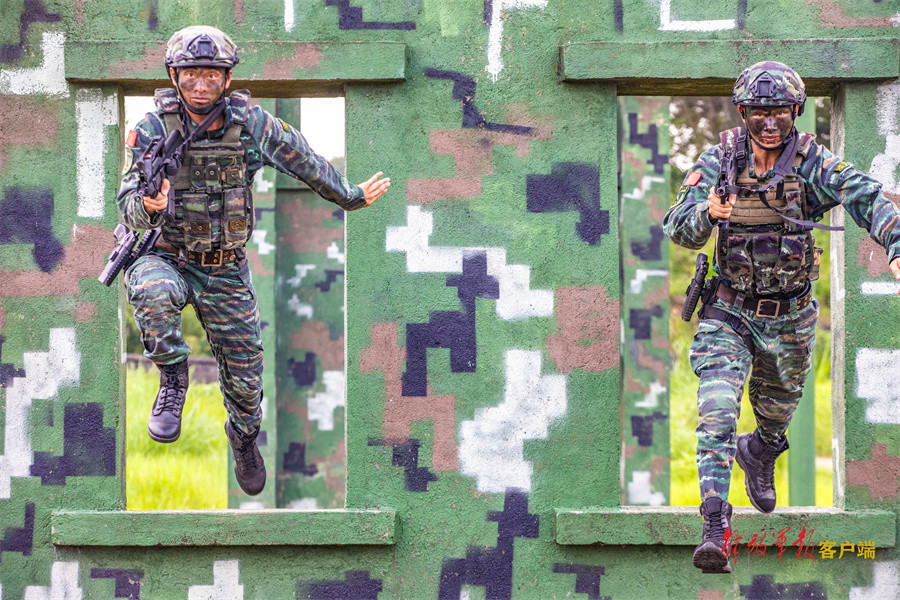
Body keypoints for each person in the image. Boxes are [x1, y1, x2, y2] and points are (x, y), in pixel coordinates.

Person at [117, 25, 390, 496]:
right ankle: (174, 377)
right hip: (165, 255)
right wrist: (150, 207)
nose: (200, 86)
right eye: (190, 76)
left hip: (223, 267)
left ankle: (243, 439)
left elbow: (302, 157)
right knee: (149, 290)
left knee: (246, 381)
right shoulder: (151, 128)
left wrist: (349, 196)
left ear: (227, 78)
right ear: (173, 75)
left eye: (211, 76)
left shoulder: (253, 125)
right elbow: (127, 204)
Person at [663, 61, 900, 573]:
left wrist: (896, 243)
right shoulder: (719, 159)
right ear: (744, 113)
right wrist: (709, 214)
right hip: (728, 313)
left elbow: (864, 195)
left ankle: (763, 451)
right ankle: (714, 525)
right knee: (717, 410)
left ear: (796, 112)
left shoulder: (813, 162)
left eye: (780, 113)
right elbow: (677, 227)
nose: (770, 124)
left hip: (790, 320)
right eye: (759, 113)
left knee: (776, 414)